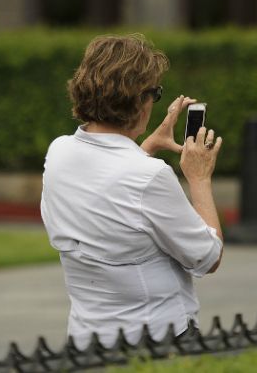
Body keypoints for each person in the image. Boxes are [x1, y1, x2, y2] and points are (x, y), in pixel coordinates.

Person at [40, 34, 224, 348]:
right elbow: (207, 256)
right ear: (139, 100)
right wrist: (199, 179)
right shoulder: (149, 176)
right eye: (155, 93)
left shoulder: (59, 151)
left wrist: (146, 146)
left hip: (86, 340)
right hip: (156, 340)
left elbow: (109, 187)